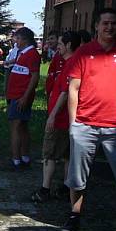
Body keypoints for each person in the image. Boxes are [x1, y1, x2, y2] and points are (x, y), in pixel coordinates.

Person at [62, 8, 116, 231]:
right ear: (96, 26)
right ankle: (74, 214)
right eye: (105, 23)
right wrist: (73, 123)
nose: (109, 27)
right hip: (85, 124)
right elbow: (74, 88)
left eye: (113, 23)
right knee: (77, 176)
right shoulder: (84, 52)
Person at [32, 31, 82, 202]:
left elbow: (65, 92)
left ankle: (45, 189)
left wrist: (52, 115)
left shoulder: (71, 64)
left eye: (60, 44)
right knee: (67, 154)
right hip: (69, 120)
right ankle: (65, 188)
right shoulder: (75, 62)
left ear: (68, 45)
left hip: (61, 118)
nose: (58, 47)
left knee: (50, 154)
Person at [5, 27, 40, 170]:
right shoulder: (22, 53)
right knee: (23, 126)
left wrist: (25, 96)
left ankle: (16, 159)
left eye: (18, 38)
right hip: (16, 94)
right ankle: (24, 156)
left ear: (25, 39)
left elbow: (35, 76)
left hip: (20, 96)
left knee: (16, 126)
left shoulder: (31, 54)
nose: (15, 41)